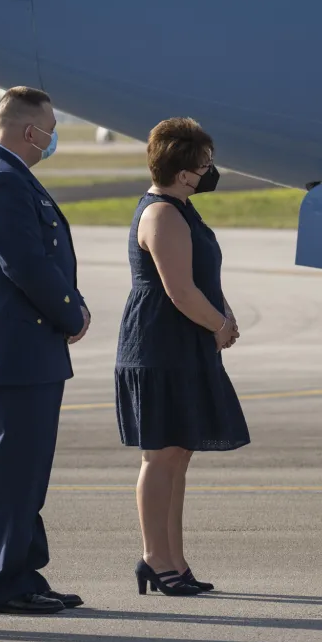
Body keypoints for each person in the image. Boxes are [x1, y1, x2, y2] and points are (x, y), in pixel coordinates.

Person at [0, 87, 92, 614]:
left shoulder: (5, 175)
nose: (54, 135)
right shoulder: (1, 180)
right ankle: (0, 584)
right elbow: (25, 265)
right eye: (50, 126)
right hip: (16, 349)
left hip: (26, 347)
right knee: (14, 472)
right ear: (29, 131)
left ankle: (23, 574)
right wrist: (70, 311)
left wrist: (71, 306)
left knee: (27, 471)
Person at [115, 117, 249, 597]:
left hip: (184, 343)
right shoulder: (162, 215)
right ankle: (155, 558)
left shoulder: (182, 208)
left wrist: (222, 316)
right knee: (161, 456)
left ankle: (175, 559)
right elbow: (179, 290)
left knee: (178, 455)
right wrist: (219, 324)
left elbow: (202, 279)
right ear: (183, 169)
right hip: (160, 346)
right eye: (204, 163)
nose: (211, 171)